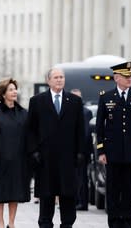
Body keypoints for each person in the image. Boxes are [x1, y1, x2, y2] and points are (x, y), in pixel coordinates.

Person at [26, 68, 85, 228]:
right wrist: (34, 152)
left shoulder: (74, 101)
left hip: (68, 158)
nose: (59, 80)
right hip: (45, 159)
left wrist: (80, 152)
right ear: (49, 81)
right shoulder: (37, 101)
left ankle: (67, 224)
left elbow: (80, 129)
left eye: (62, 77)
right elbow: (31, 130)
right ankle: (45, 224)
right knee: (47, 196)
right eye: (56, 77)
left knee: (68, 195)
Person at [96, 61, 131, 228]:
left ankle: (127, 222)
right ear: (116, 78)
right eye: (126, 76)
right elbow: (99, 126)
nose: (130, 79)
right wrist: (101, 150)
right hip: (112, 153)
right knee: (112, 190)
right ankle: (114, 222)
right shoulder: (106, 97)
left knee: (128, 191)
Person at [0, 79, 30, 228]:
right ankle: (0, 222)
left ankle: (11, 222)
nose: (14, 92)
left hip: (18, 159)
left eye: (15, 89)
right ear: (3, 94)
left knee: (14, 192)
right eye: (11, 89)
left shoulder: (24, 113)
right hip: (0, 159)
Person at [70, 89, 93, 211]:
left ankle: (83, 203)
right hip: (70, 151)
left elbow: (85, 133)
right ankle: (74, 201)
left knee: (82, 178)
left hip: (82, 152)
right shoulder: (69, 111)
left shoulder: (86, 112)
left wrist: (81, 151)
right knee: (73, 178)